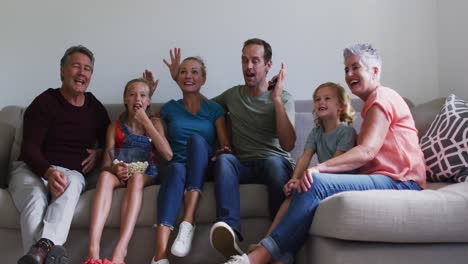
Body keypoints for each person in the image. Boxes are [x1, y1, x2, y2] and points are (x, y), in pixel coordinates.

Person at [222, 43, 427, 264]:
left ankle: (257, 257)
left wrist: (319, 168)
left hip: (401, 180)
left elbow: (366, 151)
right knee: (306, 184)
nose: (349, 74)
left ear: (374, 71)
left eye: (355, 67)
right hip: (386, 178)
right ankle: (282, 256)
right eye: (346, 69)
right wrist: (299, 177)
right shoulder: (370, 105)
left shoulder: (382, 98)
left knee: (315, 182)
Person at [8, 45, 110, 264]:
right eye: (76, 66)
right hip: (31, 170)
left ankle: (40, 251)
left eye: (88, 69)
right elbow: (29, 148)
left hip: (71, 173)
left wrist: (100, 152)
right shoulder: (45, 102)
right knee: (35, 199)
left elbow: (113, 142)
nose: (82, 73)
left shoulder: (95, 109)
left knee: (72, 183)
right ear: (62, 71)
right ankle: (47, 252)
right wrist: (48, 170)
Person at [205, 38, 296, 259]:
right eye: (244, 60)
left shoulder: (284, 97)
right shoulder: (232, 96)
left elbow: (288, 144)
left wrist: (276, 100)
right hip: (243, 164)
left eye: (255, 60)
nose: (249, 67)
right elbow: (201, 109)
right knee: (225, 160)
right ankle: (229, 233)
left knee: (275, 163)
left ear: (268, 65)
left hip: (274, 162)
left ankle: (277, 243)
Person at [145, 55, 231, 264]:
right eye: (183, 72)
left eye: (194, 72)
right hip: (176, 167)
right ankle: (160, 256)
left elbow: (226, 145)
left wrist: (223, 152)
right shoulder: (170, 108)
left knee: (197, 141)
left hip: (203, 166)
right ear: (176, 77)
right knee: (176, 170)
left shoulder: (214, 109)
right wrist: (148, 96)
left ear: (203, 78)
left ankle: (188, 222)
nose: (188, 76)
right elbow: (144, 124)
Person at [252, 82, 356, 246]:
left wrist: (304, 180)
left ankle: (271, 245)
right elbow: (304, 158)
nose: (321, 102)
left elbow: (333, 165)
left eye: (327, 98)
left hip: (339, 182)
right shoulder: (316, 133)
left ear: (340, 107)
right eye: (317, 99)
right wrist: (294, 180)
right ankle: (266, 241)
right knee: (291, 197)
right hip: (324, 180)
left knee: (302, 192)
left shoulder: (346, 132)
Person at [84, 78, 173, 264]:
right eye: (132, 94)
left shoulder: (154, 123)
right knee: (104, 177)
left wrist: (146, 122)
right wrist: (115, 169)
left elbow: (167, 154)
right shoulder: (114, 127)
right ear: (125, 99)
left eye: (143, 95)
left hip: (145, 172)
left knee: (137, 178)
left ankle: (120, 251)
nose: (137, 99)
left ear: (149, 101)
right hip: (120, 172)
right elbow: (106, 164)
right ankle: (93, 250)